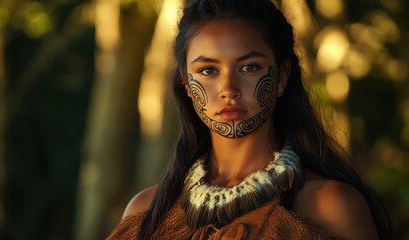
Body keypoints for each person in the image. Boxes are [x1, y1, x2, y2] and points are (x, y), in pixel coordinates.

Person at [107, 0, 391, 239]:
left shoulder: (331, 206)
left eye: (249, 67)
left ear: (281, 76)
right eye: (208, 70)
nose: (228, 89)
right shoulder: (144, 213)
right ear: (185, 82)